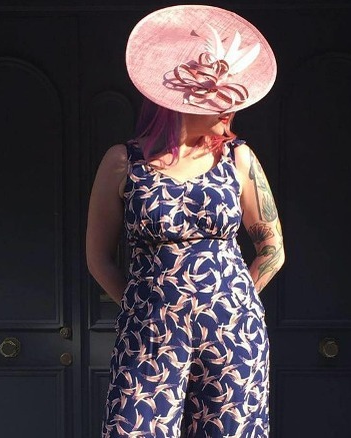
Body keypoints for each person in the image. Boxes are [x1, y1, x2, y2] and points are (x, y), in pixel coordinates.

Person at [86, 5, 284, 437]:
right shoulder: (124, 163)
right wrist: (146, 305)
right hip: (149, 333)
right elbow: (98, 258)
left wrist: (233, 302)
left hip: (232, 333)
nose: (230, 109)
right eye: (220, 99)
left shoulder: (238, 158)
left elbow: (272, 248)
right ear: (180, 102)